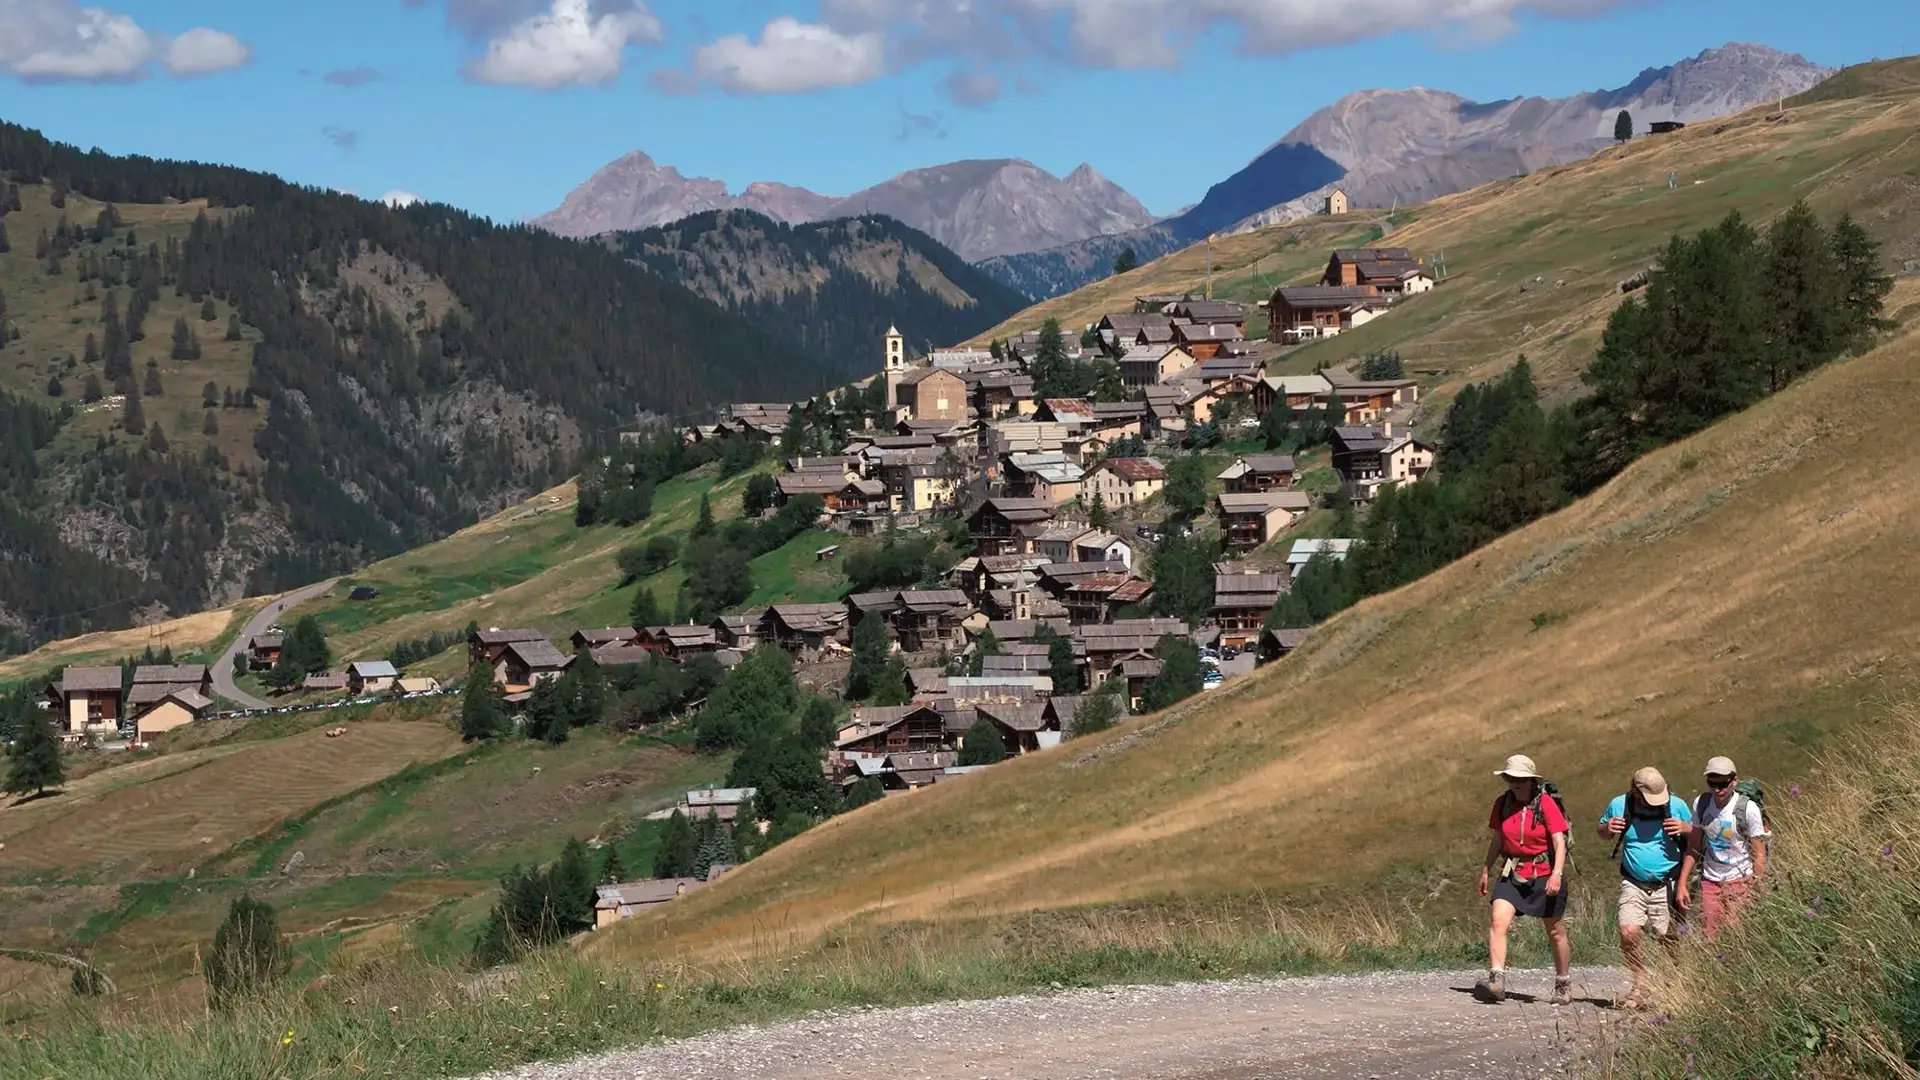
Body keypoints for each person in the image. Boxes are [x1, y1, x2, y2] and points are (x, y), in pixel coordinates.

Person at [1476, 754, 1573, 1005]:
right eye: (1511, 778)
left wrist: (1557, 874)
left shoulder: (1546, 804)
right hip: (1512, 872)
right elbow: (1498, 838)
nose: (1515, 783)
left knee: (1555, 931)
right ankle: (1497, 980)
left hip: (1544, 872)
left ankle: (1563, 983)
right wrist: (1486, 868)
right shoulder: (1503, 803)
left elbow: (1558, 842)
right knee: (1498, 921)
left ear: (1531, 780)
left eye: (1520, 779)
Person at [1597, 767, 1692, 1009]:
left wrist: (1686, 828)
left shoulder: (1677, 805)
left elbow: (1697, 839)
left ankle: (1674, 983)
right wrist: (1608, 829)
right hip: (1632, 882)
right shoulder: (1619, 805)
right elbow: (1602, 831)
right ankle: (1640, 984)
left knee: (1669, 938)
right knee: (1628, 931)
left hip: (1667, 882)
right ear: (1635, 792)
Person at [1677, 755, 1768, 938]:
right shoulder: (1701, 804)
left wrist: (1757, 887)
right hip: (1710, 881)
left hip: (1741, 882)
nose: (1717, 789)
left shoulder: (1748, 810)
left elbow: (1759, 854)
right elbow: (1694, 847)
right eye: (1712, 784)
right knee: (1710, 937)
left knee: (1737, 936)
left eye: (1723, 784)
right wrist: (1682, 883)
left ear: (1734, 781)